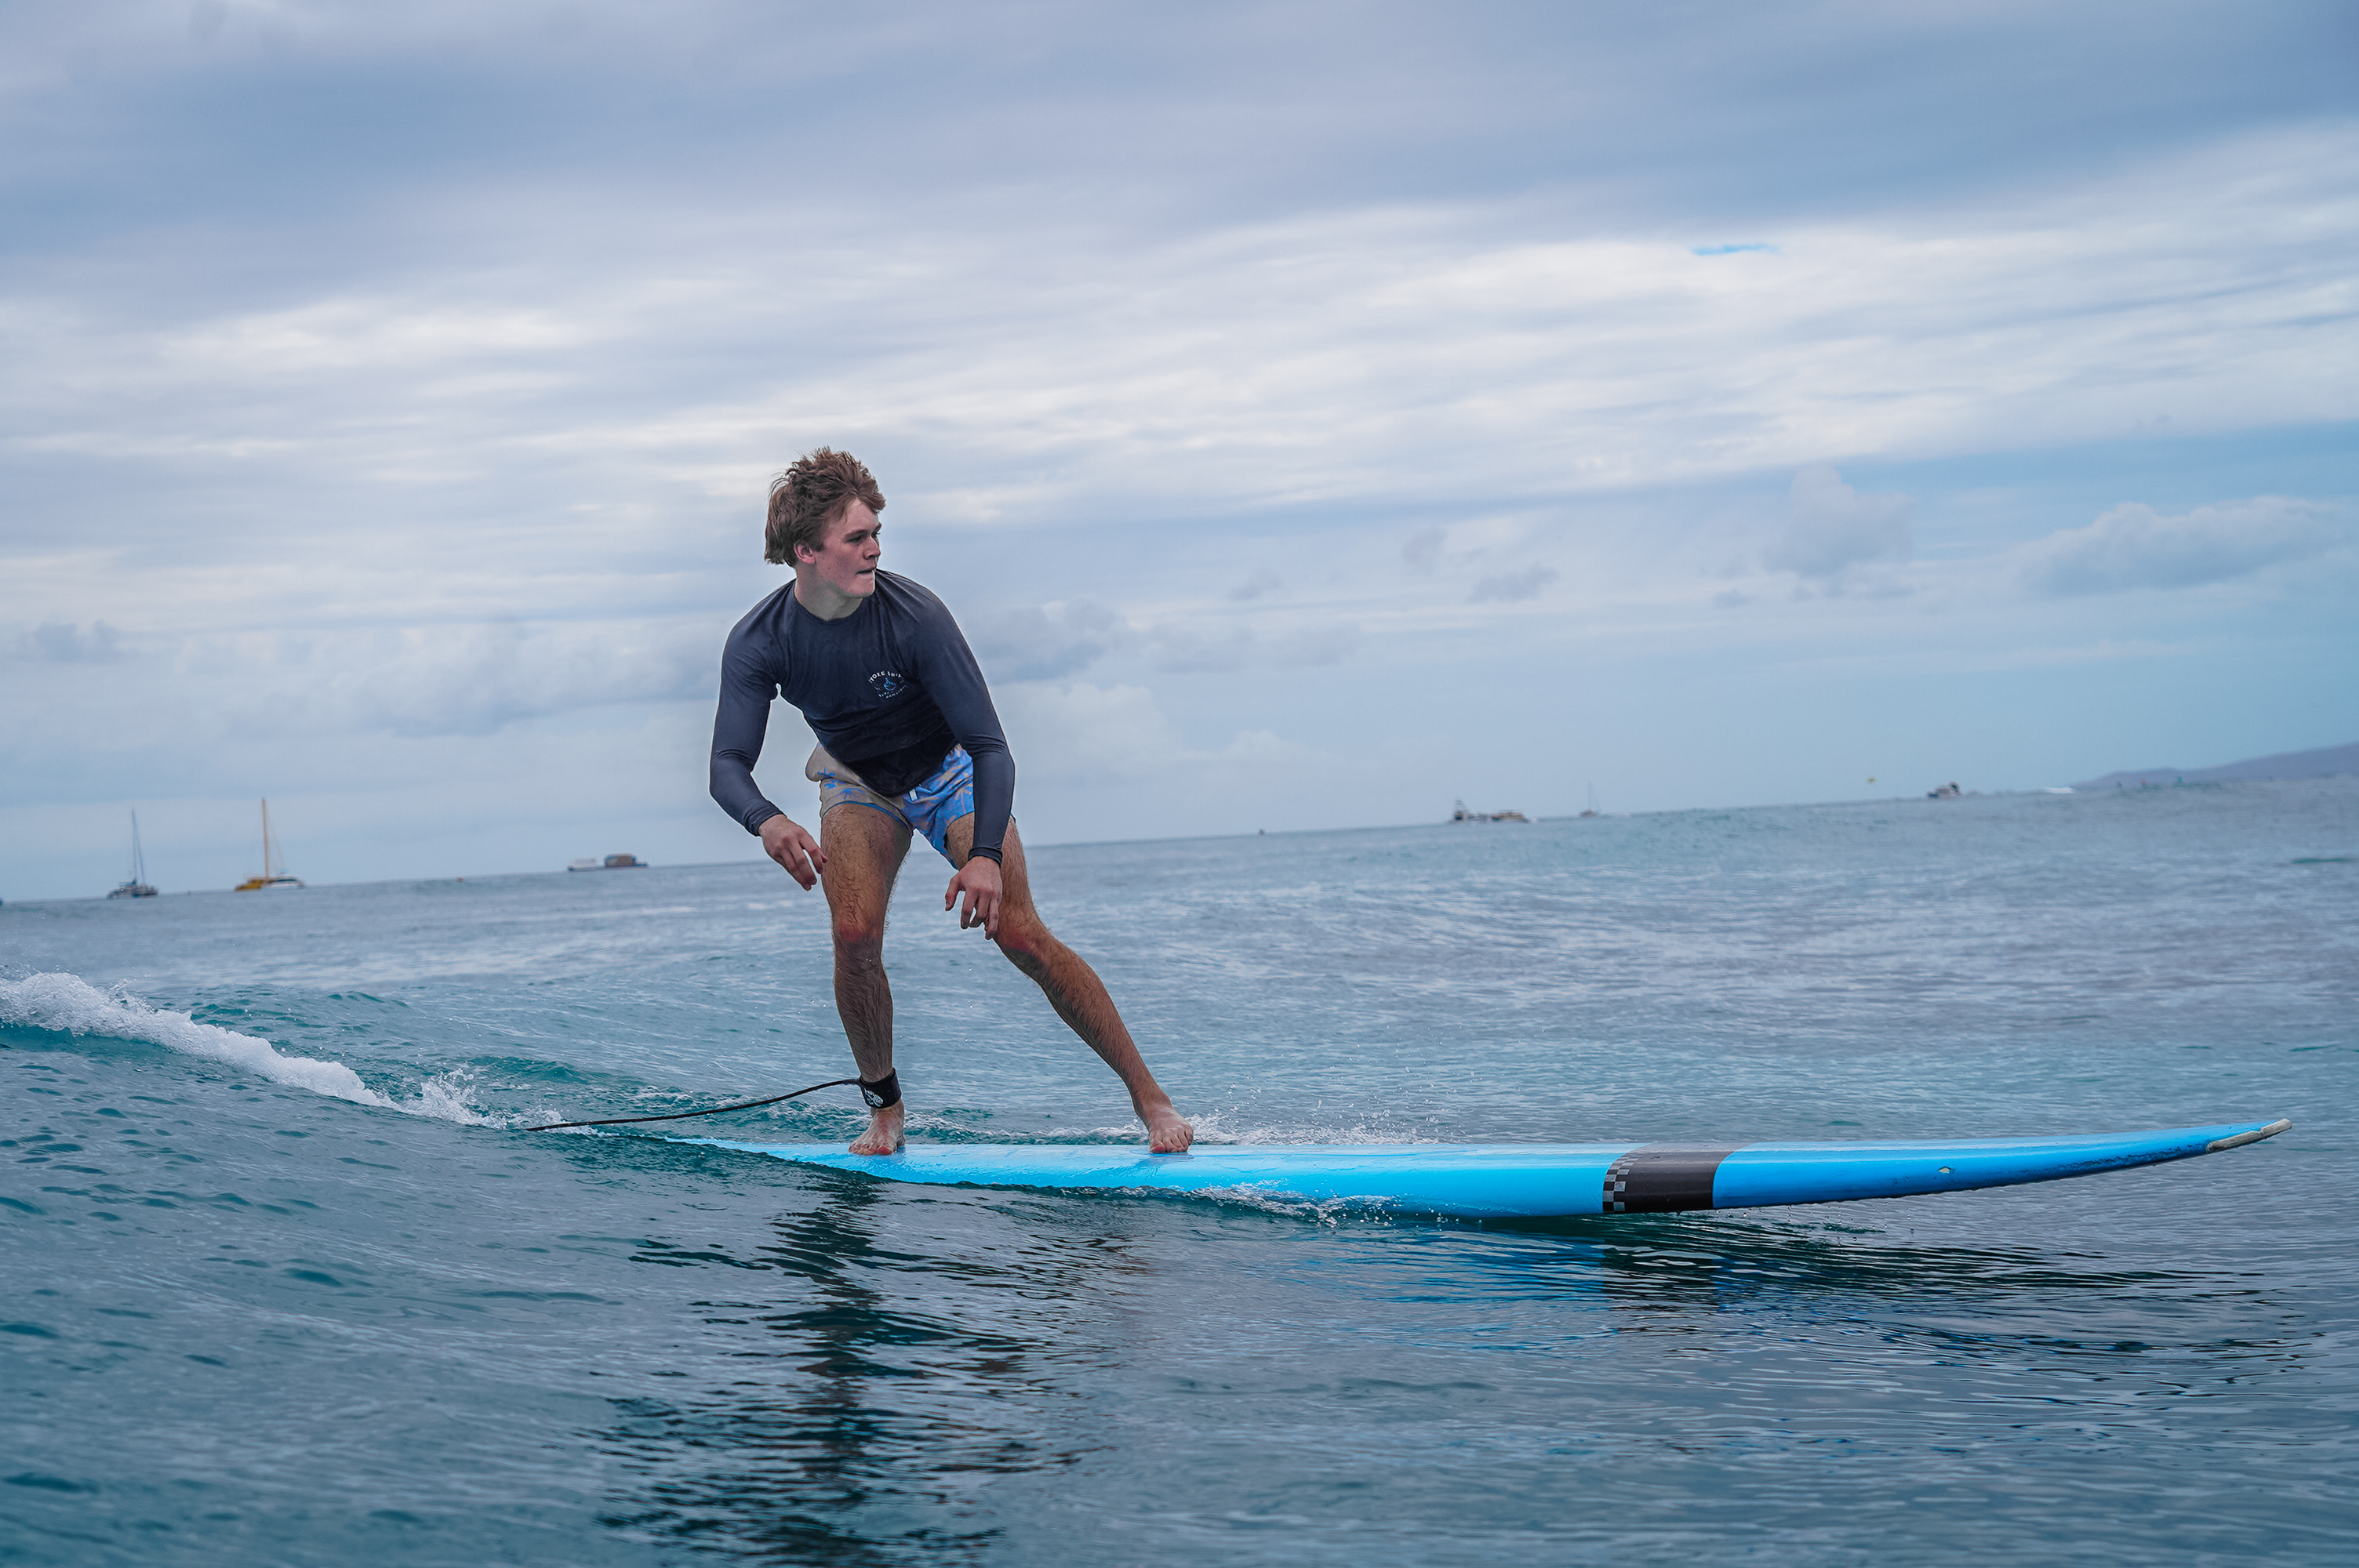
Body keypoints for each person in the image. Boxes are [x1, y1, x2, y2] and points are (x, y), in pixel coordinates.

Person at [709, 448, 1194, 1156]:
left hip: (951, 769)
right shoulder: (760, 641)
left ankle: (1152, 1102)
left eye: (877, 531)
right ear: (806, 551)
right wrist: (767, 818)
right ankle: (884, 1111)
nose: (875, 548)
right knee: (852, 936)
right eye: (857, 537)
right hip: (856, 779)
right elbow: (726, 765)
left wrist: (987, 856)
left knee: (1020, 933)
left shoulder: (915, 616)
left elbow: (991, 746)